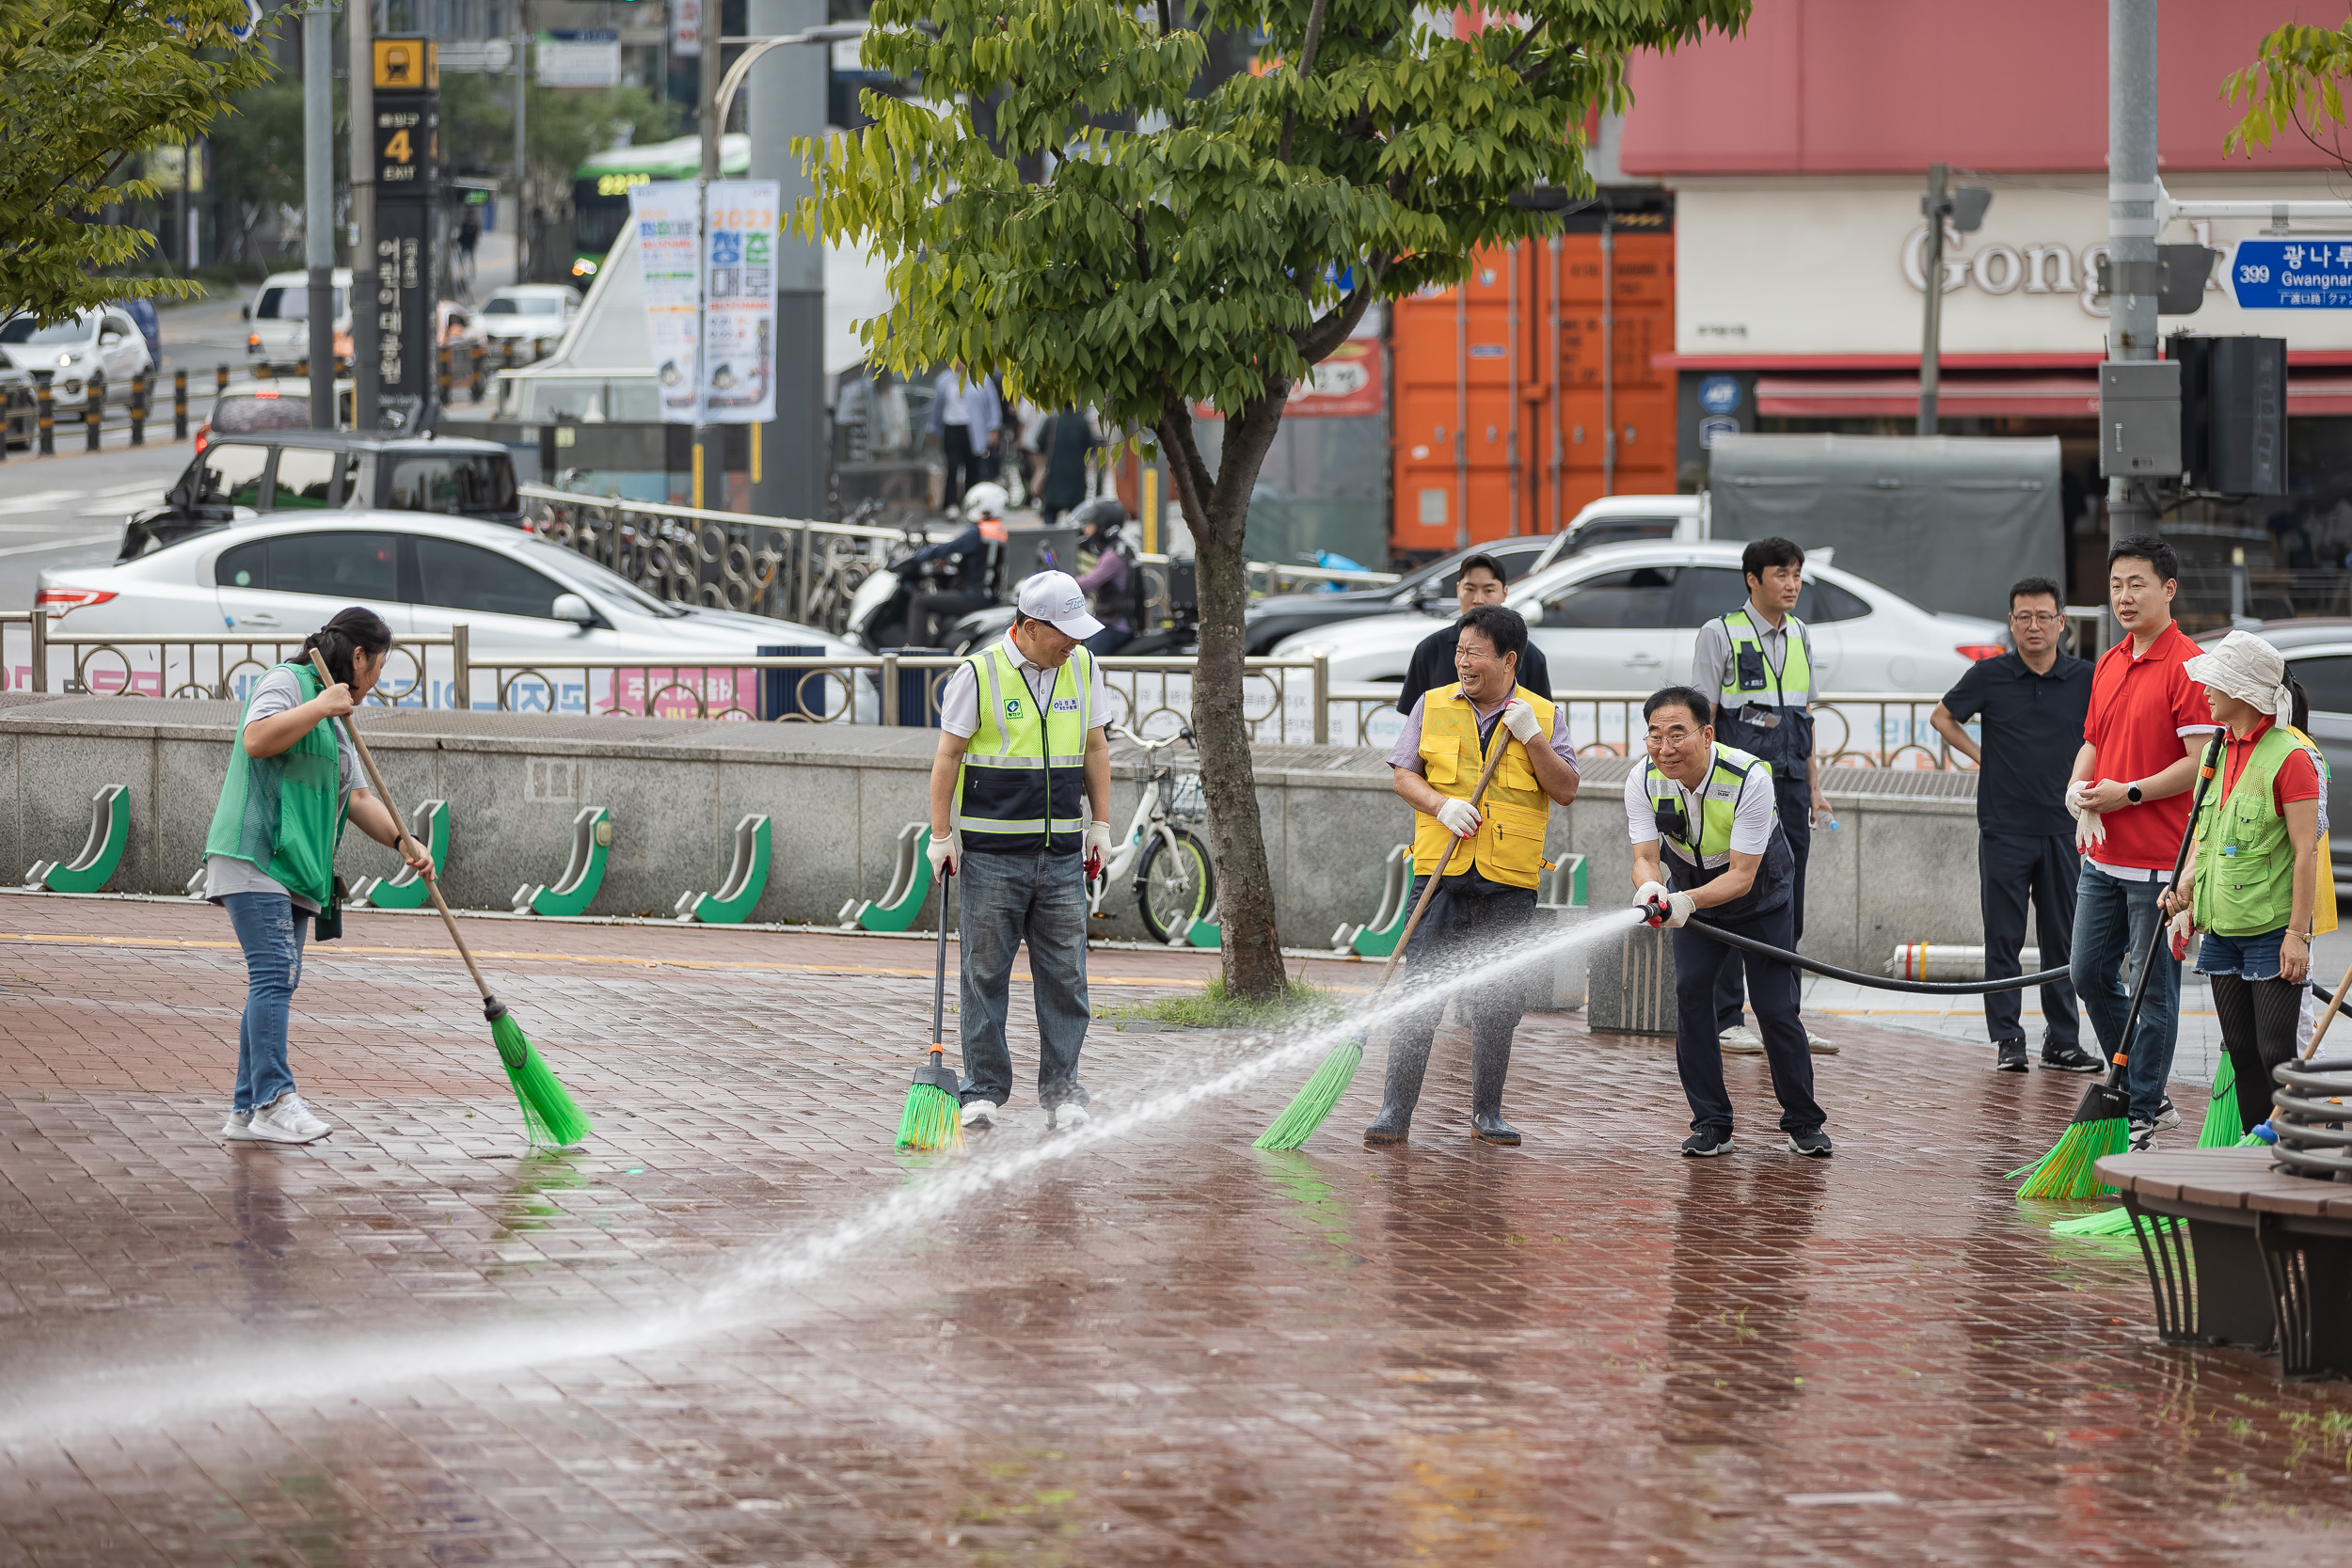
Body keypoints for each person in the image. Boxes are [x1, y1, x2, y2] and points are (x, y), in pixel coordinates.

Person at [202, 609, 433, 1146]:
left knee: (276, 979)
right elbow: (256, 739)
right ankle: (275, 1101)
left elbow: (356, 798)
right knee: (274, 975)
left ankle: (245, 1109)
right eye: (379, 666)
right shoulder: (289, 682)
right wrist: (318, 705)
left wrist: (404, 840)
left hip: (300, 868)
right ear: (358, 657)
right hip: (255, 854)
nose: (378, 680)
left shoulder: (339, 720)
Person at [1368, 604, 1581, 1146]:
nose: (1463, 662)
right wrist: (1441, 806)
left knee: (1498, 1002)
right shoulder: (1432, 704)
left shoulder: (1545, 716)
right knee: (1422, 995)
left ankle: (1488, 1112)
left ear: (1509, 660)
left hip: (1509, 880)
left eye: (1474, 653)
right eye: (1460, 651)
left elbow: (1566, 789)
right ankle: (1396, 1111)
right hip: (1441, 872)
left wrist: (1532, 737)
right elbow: (1402, 776)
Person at [925, 572, 1116, 1131]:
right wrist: (942, 834)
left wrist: (1100, 823)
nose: (1075, 644)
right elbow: (948, 757)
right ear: (1030, 628)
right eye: (1065, 633)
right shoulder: (978, 674)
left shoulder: (1081, 667)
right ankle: (983, 1088)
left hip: (1060, 857)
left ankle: (1063, 1092)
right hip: (992, 857)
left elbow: (1096, 745)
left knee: (1067, 978)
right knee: (985, 975)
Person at [2066, 533, 2221, 1151]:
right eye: (2116, 584)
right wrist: (2077, 785)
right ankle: (2141, 1090)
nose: (2124, 596)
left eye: (2137, 583)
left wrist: (2127, 792)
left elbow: (2199, 761)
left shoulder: (2190, 666)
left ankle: (2144, 1111)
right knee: (2087, 972)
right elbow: (2093, 743)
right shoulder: (2109, 660)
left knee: (2154, 993)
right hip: (2102, 855)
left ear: (2169, 588)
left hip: (2161, 860)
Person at [1629, 686, 1831, 1159]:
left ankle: (1803, 1122)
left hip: (1759, 898)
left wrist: (1684, 902)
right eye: (1654, 735)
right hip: (1692, 899)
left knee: (1775, 1008)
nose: (1665, 747)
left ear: (1707, 734)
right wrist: (1651, 890)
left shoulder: (1748, 777)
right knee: (1692, 997)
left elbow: (1741, 875)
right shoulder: (1642, 778)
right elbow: (1644, 857)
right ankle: (1711, 1124)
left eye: (1678, 734)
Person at [2164, 630, 2332, 1137]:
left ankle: (2300, 1147)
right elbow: (2206, 839)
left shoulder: (2291, 757)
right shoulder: (2216, 753)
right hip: (2222, 927)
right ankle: (2256, 1149)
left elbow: (2307, 851)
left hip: (2271, 927)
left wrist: (2297, 935)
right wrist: (2185, 892)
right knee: (2240, 1048)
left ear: (2244, 691)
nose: (2206, 692)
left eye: (2216, 682)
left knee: (2276, 1050)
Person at [1930, 577, 2098, 1073]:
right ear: (2011, 622)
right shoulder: (1990, 674)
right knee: (2002, 938)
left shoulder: (2087, 678)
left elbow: (2105, 734)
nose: (2033, 626)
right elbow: (1943, 718)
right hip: (2004, 826)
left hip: (2064, 827)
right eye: (2023, 617)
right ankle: (2008, 1039)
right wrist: (1985, 757)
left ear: (2061, 622)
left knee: (2062, 939)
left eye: (2044, 617)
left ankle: (2062, 1040)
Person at [1689, 537, 1836, 1058]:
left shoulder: (1800, 634)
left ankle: (1785, 1014)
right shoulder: (1720, 633)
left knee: (1786, 900)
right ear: (1753, 579)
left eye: (1797, 574)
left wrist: (1817, 791)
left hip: (1791, 786)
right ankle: (1729, 1018)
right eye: (1781, 574)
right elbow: (1704, 716)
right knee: (1733, 894)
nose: (1792, 584)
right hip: (1736, 787)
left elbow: (1804, 719)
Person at [1394, 554, 1554, 717]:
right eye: (1470, 589)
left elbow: (1541, 716)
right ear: (1458, 590)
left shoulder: (1529, 655)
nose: (1478, 599)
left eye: (1489, 590)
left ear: (1504, 593)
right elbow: (1414, 718)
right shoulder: (1429, 649)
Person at [902, 483, 1010, 647]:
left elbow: (947, 548)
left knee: (920, 602)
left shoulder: (977, 532)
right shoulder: (998, 530)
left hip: (974, 597)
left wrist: (916, 558)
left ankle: (915, 656)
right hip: (988, 596)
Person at [1071, 497, 1143, 655]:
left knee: (1085, 659)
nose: (1085, 531)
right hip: (1109, 622)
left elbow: (1091, 580)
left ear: (1104, 527)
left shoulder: (1114, 556)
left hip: (1117, 627)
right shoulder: (1118, 549)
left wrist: (1062, 583)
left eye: (1090, 525)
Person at [932, 362, 1000, 508]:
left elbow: (992, 404)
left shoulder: (982, 379)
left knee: (973, 466)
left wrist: (994, 427)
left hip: (973, 429)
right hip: (951, 427)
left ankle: (971, 503)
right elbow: (936, 407)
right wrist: (933, 428)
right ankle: (951, 504)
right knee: (952, 466)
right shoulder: (943, 380)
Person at [1037, 406, 1097, 526]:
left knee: (1050, 515)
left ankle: (1049, 540)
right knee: (1078, 517)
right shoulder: (1082, 422)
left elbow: (1039, 443)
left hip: (1055, 476)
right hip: (1076, 478)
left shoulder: (1053, 421)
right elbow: (1091, 447)